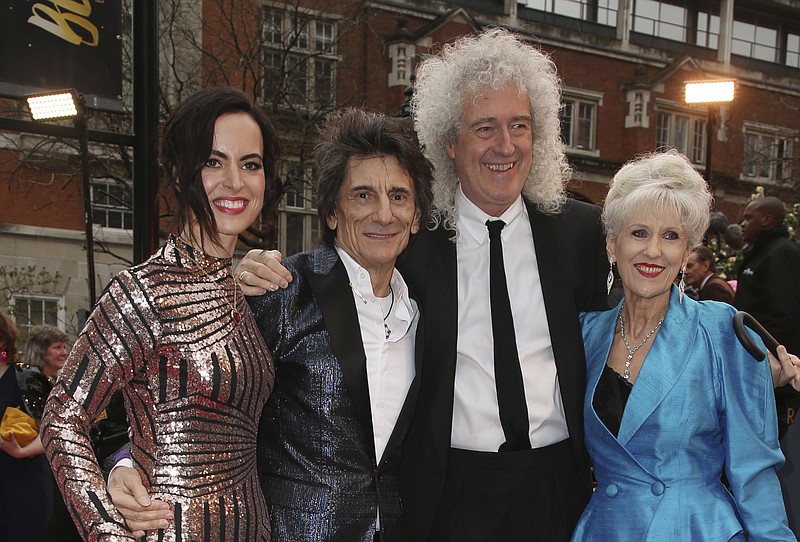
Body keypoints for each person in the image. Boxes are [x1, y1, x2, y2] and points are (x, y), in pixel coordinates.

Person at [231, 28, 800, 541]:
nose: (505, 146)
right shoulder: (414, 239)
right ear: (449, 143)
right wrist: (250, 271)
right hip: (451, 492)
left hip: (561, 488)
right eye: (485, 128)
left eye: (519, 126)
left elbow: (632, 330)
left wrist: (748, 367)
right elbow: (348, 262)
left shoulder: (579, 231)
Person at [107, 108, 435, 541]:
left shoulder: (423, 312)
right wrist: (126, 461)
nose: (383, 213)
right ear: (332, 212)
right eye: (361, 195)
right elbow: (186, 389)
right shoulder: (281, 291)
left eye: (398, 196)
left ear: (415, 216)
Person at [40, 87, 282, 541]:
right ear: (179, 171)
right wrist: (105, 526)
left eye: (250, 164)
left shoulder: (240, 292)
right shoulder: (141, 293)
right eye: (213, 162)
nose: (235, 181)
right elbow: (61, 415)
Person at [570, 150, 794, 541]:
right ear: (611, 245)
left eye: (670, 236)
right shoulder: (585, 333)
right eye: (639, 233)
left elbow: (755, 471)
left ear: (687, 251)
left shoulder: (721, 331)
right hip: (606, 530)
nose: (653, 250)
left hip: (694, 529)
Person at [734, 196, 800, 439]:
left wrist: (758, 356)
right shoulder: (761, 252)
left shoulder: (781, 253)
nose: (742, 223)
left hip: (773, 374)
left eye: (749, 218)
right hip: (755, 367)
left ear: (767, 219)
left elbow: (784, 314)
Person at [18, 324, 81, 542]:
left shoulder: (47, 379)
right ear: (41, 349)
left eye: (64, 347)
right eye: (57, 347)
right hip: (34, 462)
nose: (64, 352)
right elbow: (45, 422)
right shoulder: (29, 376)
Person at [0, 313, 54, 542]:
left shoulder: (26, 376)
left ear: (3, 340)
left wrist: (23, 451)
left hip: (22, 485)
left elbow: (55, 428)